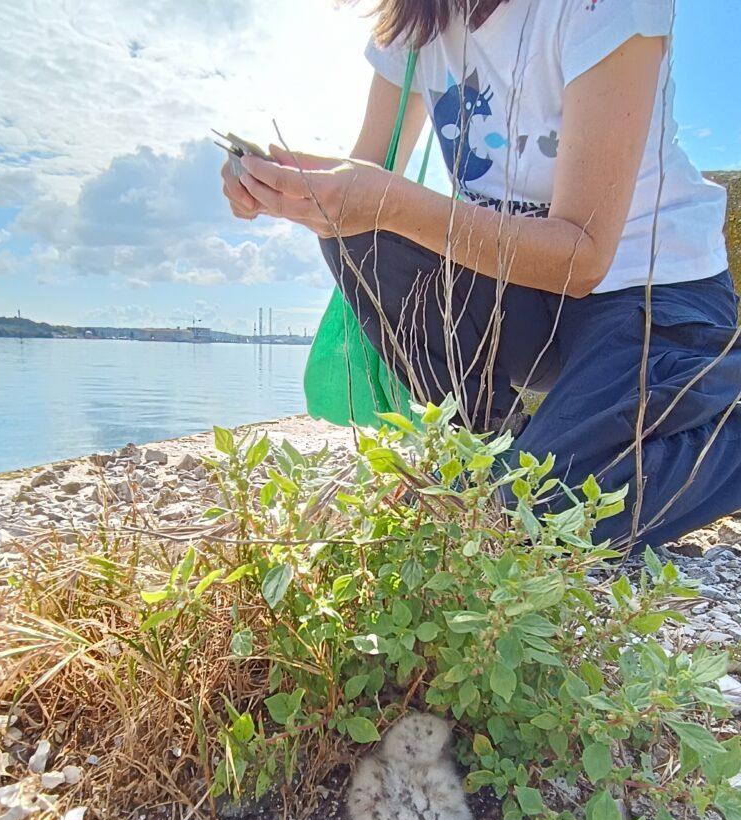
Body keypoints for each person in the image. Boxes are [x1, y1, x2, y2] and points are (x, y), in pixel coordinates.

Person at [221, 0, 740, 553]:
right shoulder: (417, 16)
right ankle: (478, 446)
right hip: (526, 292)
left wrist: (390, 204)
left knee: (547, 514)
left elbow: (584, 258)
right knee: (358, 234)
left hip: (652, 289)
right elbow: (369, 173)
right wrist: (288, 189)